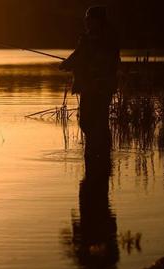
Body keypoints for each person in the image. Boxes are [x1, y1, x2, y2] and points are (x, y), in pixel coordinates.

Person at [59, 6, 120, 162]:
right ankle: (95, 155)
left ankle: (102, 156)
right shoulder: (87, 38)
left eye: (89, 19)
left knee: (98, 123)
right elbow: (79, 54)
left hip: (101, 87)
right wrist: (68, 63)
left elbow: (105, 61)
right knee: (86, 122)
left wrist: (76, 63)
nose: (86, 22)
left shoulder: (108, 39)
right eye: (86, 19)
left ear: (98, 20)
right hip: (88, 87)